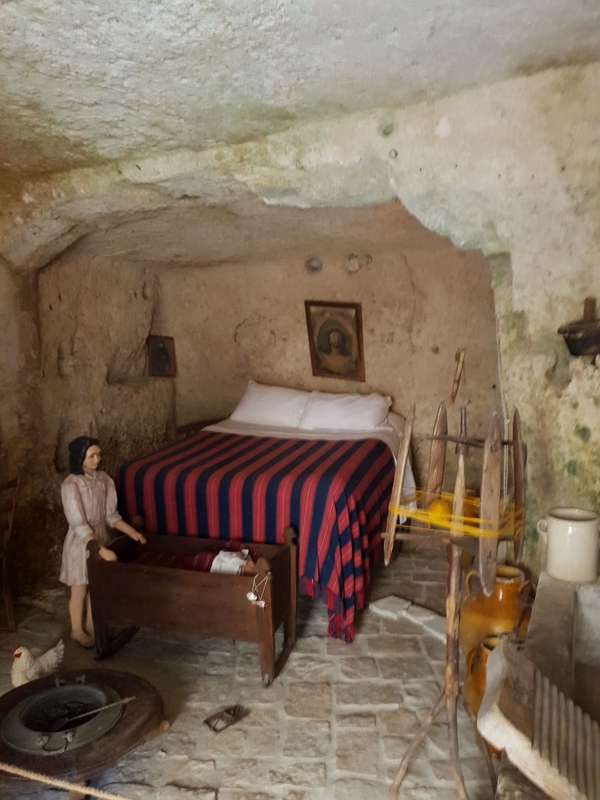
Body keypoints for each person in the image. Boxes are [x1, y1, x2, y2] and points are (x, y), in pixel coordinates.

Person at [60, 436, 146, 647]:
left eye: (99, 455)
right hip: (82, 542)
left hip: (101, 535)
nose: (97, 459)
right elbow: (79, 524)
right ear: (80, 458)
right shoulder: (71, 486)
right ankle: (77, 629)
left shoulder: (104, 480)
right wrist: (100, 550)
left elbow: (111, 516)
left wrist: (131, 532)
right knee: (79, 587)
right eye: (92, 455)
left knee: (97, 586)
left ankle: (92, 625)